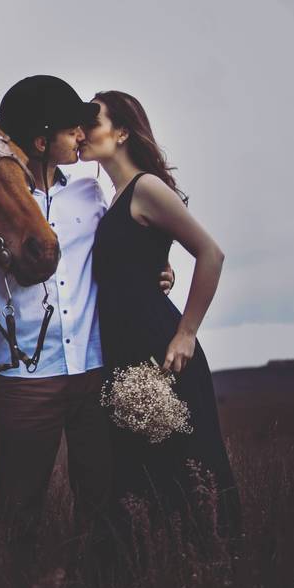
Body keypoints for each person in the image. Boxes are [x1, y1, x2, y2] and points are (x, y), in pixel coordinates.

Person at [0, 75, 174, 588]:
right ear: (41, 139)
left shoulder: (89, 191)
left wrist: (158, 268)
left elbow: (119, 252)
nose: (81, 134)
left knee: (101, 500)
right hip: (28, 378)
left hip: (96, 368)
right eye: (71, 127)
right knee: (19, 506)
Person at [81, 91, 242, 551]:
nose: (81, 132)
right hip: (123, 356)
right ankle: (155, 580)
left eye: (91, 120)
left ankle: (215, 571)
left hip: (161, 353)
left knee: (188, 471)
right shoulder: (112, 200)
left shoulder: (146, 187)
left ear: (122, 132)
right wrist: (160, 269)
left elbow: (211, 253)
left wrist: (187, 332)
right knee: (138, 477)